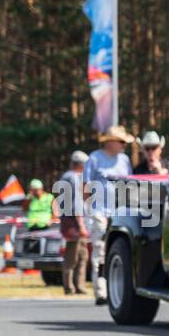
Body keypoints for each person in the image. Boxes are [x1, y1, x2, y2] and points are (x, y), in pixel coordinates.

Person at [82, 125, 134, 305]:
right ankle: (101, 291)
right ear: (110, 142)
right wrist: (89, 211)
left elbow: (131, 186)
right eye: (120, 142)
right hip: (100, 212)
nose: (123, 145)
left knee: (118, 250)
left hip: (120, 213)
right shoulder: (94, 159)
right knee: (100, 251)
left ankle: (116, 288)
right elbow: (86, 187)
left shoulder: (124, 160)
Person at [54, 151, 89, 295]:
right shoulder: (73, 178)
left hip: (69, 220)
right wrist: (81, 224)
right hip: (73, 221)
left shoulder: (66, 177)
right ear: (79, 164)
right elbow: (75, 204)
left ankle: (79, 286)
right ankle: (70, 287)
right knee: (72, 256)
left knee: (82, 255)